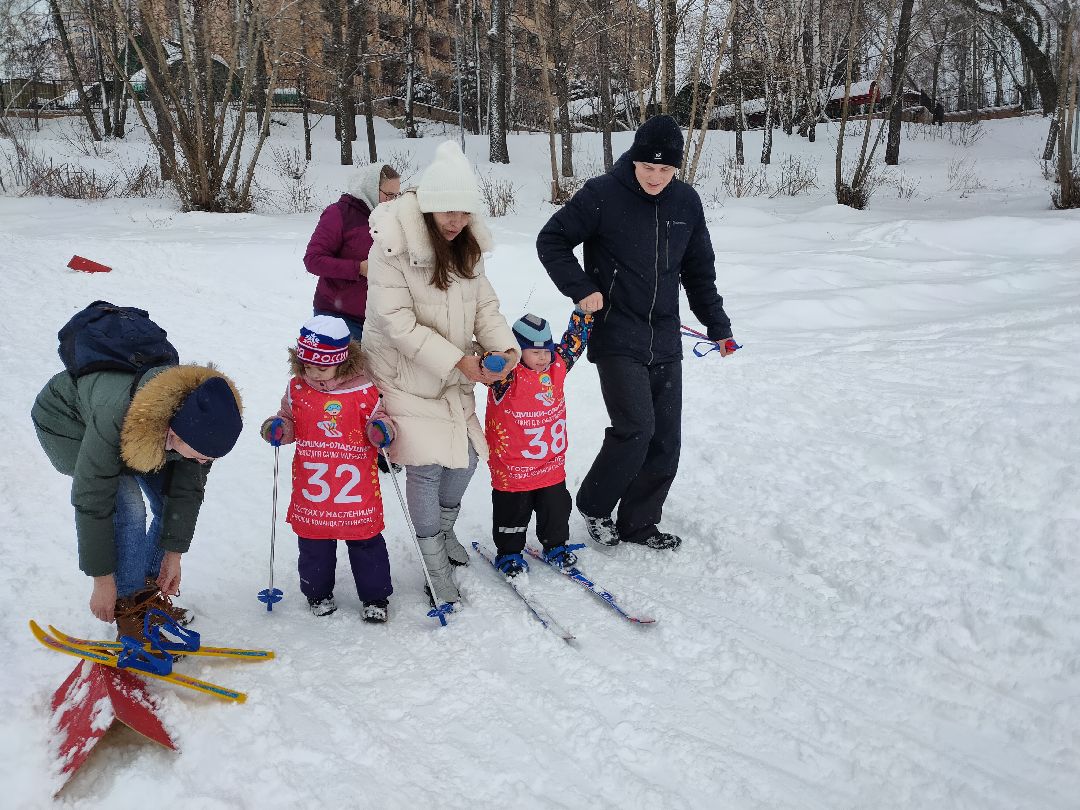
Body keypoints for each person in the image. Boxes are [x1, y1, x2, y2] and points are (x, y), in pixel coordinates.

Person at [536, 114, 736, 551]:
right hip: (616, 334)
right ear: (634, 160)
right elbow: (551, 240)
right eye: (649, 167)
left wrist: (717, 326)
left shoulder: (686, 202)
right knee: (636, 428)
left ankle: (640, 522)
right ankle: (594, 504)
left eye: (666, 170)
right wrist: (582, 288)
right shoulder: (602, 195)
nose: (656, 177)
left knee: (666, 438)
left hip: (664, 335)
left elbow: (699, 272)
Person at [362, 141, 518, 605]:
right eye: (446, 210)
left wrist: (503, 348)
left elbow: (485, 306)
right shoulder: (391, 248)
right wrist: (458, 361)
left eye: (464, 211)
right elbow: (398, 324)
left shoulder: (468, 248)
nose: (455, 220)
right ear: (428, 206)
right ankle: (433, 564)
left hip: (451, 373)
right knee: (428, 465)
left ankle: (443, 530)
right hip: (403, 372)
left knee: (468, 456)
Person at [32, 363, 243, 638]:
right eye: (202, 456)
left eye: (210, 459)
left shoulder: (201, 427)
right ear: (176, 434)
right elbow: (92, 501)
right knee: (129, 506)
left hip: (142, 430)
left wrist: (173, 554)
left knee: (167, 500)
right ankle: (129, 608)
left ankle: (144, 593)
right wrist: (103, 580)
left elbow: (185, 494)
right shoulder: (116, 415)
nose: (205, 463)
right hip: (68, 422)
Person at [260, 315, 396, 622]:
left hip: (355, 487)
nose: (314, 373)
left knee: (365, 541)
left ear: (341, 361)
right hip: (314, 485)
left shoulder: (364, 390)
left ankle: (376, 597)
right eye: (307, 366)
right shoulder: (298, 389)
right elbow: (289, 418)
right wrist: (280, 426)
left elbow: (383, 417)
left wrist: (382, 431)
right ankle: (317, 593)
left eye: (322, 366)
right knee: (313, 542)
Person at [485, 309, 593, 578]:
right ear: (518, 351)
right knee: (512, 513)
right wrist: (493, 358)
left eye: (546, 349)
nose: (543, 356)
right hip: (514, 467)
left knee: (556, 509)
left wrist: (584, 313)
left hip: (550, 463)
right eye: (534, 351)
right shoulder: (506, 377)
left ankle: (555, 545)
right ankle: (509, 552)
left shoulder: (557, 365)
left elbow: (573, 342)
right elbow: (488, 363)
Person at [304, 163, 402, 341]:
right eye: (389, 195)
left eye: (397, 196)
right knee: (337, 370)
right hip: (338, 317)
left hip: (378, 319)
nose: (393, 201)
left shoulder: (391, 219)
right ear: (370, 188)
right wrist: (358, 268)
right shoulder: (339, 213)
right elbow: (313, 260)